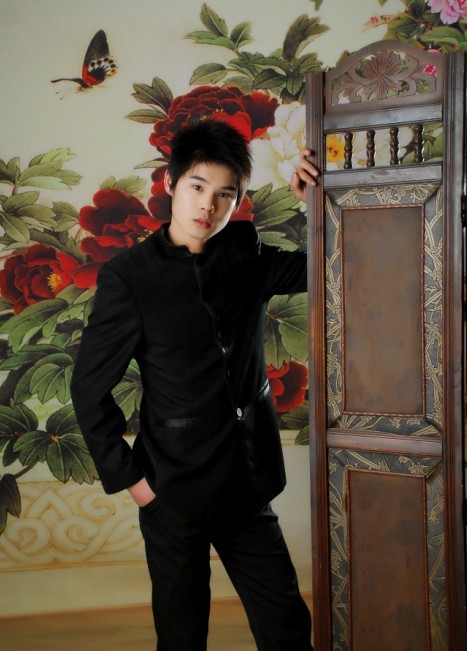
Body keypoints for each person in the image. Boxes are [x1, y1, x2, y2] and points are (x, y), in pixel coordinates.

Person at [70, 119, 319, 651]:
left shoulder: (245, 253)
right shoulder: (130, 277)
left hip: (246, 480)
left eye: (226, 194)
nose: (209, 205)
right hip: (172, 490)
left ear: (239, 200)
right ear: (171, 183)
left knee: (288, 628)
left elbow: (327, 268)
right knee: (182, 637)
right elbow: (88, 389)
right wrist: (137, 486)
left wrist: (315, 204)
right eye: (197, 186)